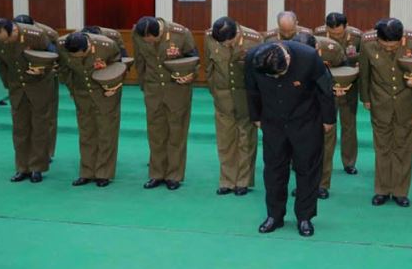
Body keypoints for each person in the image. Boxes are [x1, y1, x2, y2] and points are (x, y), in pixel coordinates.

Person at [245, 41, 336, 237]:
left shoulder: (309, 57)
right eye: (272, 76)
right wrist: (256, 117)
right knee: (273, 170)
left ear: (286, 58)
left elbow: (326, 88)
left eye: (280, 73)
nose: (277, 78)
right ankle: (274, 216)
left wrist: (329, 119)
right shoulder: (253, 58)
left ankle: (305, 217)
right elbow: (251, 89)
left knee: (307, 169)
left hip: (306, 121)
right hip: (272, 122)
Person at [359, 18, 412, 207]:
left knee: (403, 147)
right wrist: (366, 98)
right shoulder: (367, 43)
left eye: (393, 46)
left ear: (401, 38)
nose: (389, 49)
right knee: (382, 147)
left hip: (407, 99)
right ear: (378, 39)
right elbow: (365, 72)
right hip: (380, 100)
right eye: (384, 45)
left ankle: (400, 191)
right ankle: (382, 190)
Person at [132, 16, 197, 190]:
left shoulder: (181, 34)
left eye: (152, 39)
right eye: (145, 40)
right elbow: (140, 61)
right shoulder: (137, 34)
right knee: (155, 134)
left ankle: (174, 175)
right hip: (153, 90)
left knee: (177, 133)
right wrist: (144, 86)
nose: (148, 42)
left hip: (177, 89)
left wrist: (190, 76)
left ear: (159, 32)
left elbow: (193, 58)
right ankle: (156, 174)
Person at [0, 18, 56, 183]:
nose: (5, 42)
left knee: (39, 128)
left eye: (7, 39)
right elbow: (0, 61)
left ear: (15, 31)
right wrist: (8, 85)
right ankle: (22, 168)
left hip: (39, 86)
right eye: (1, 40)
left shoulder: (35, 35)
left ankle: (37, 168)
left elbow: (54, 53)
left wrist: (42, 68)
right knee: (20, 129)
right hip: (17, 88)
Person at [205, 16, 263, 196]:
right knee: (225, 140)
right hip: (223, 97)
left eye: (229, 42)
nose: (226, 46)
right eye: (222, 43)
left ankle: (243, 181)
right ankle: (227, 180)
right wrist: (214, 90)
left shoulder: (254, 39)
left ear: (236, 33)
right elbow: (209, 66)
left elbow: (260, 74)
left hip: (245, 96)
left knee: (246, 140)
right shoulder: (209, 37)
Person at [58, 31, 123, 187]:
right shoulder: (61, 46)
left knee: (106, 133)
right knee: (86, 133)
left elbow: (120, 65)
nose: (79, 58)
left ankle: (103, 173)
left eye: (82, 54)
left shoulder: (106, 46)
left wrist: (113, 86)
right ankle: (86, 172)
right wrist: (72, 90)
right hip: (82, 94)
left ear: (88, 45)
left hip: (105, 93)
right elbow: (64, 70)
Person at [292, 32, 347, 199]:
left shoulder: (328, 57)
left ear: (317, 48)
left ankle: (321, 185)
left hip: (322, 110)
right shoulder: (286, 58)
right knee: (299, 151)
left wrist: (328, 119)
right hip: (297, 112)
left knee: (325, 148)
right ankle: (303, 184)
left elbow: (344, 71)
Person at [314, 12, 361, 176]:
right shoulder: (318, 36)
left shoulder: (357, 36)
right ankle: (325, 161)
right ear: (326, 28)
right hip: (326, 88)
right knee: (327, 127)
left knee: (349, 125)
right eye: (332, 33)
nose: (336, 35)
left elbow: (361, 60)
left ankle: (349, 162)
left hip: (349, 86)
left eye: (339, 33)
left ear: (346, 26)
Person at [14, 14, 60, 162]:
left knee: (48, 117)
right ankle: (28, 154)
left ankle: (47, 152)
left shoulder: (47, 33)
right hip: (25, 78)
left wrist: (44, 68)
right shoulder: (12, 32)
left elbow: (56, 54)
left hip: (46, 77)